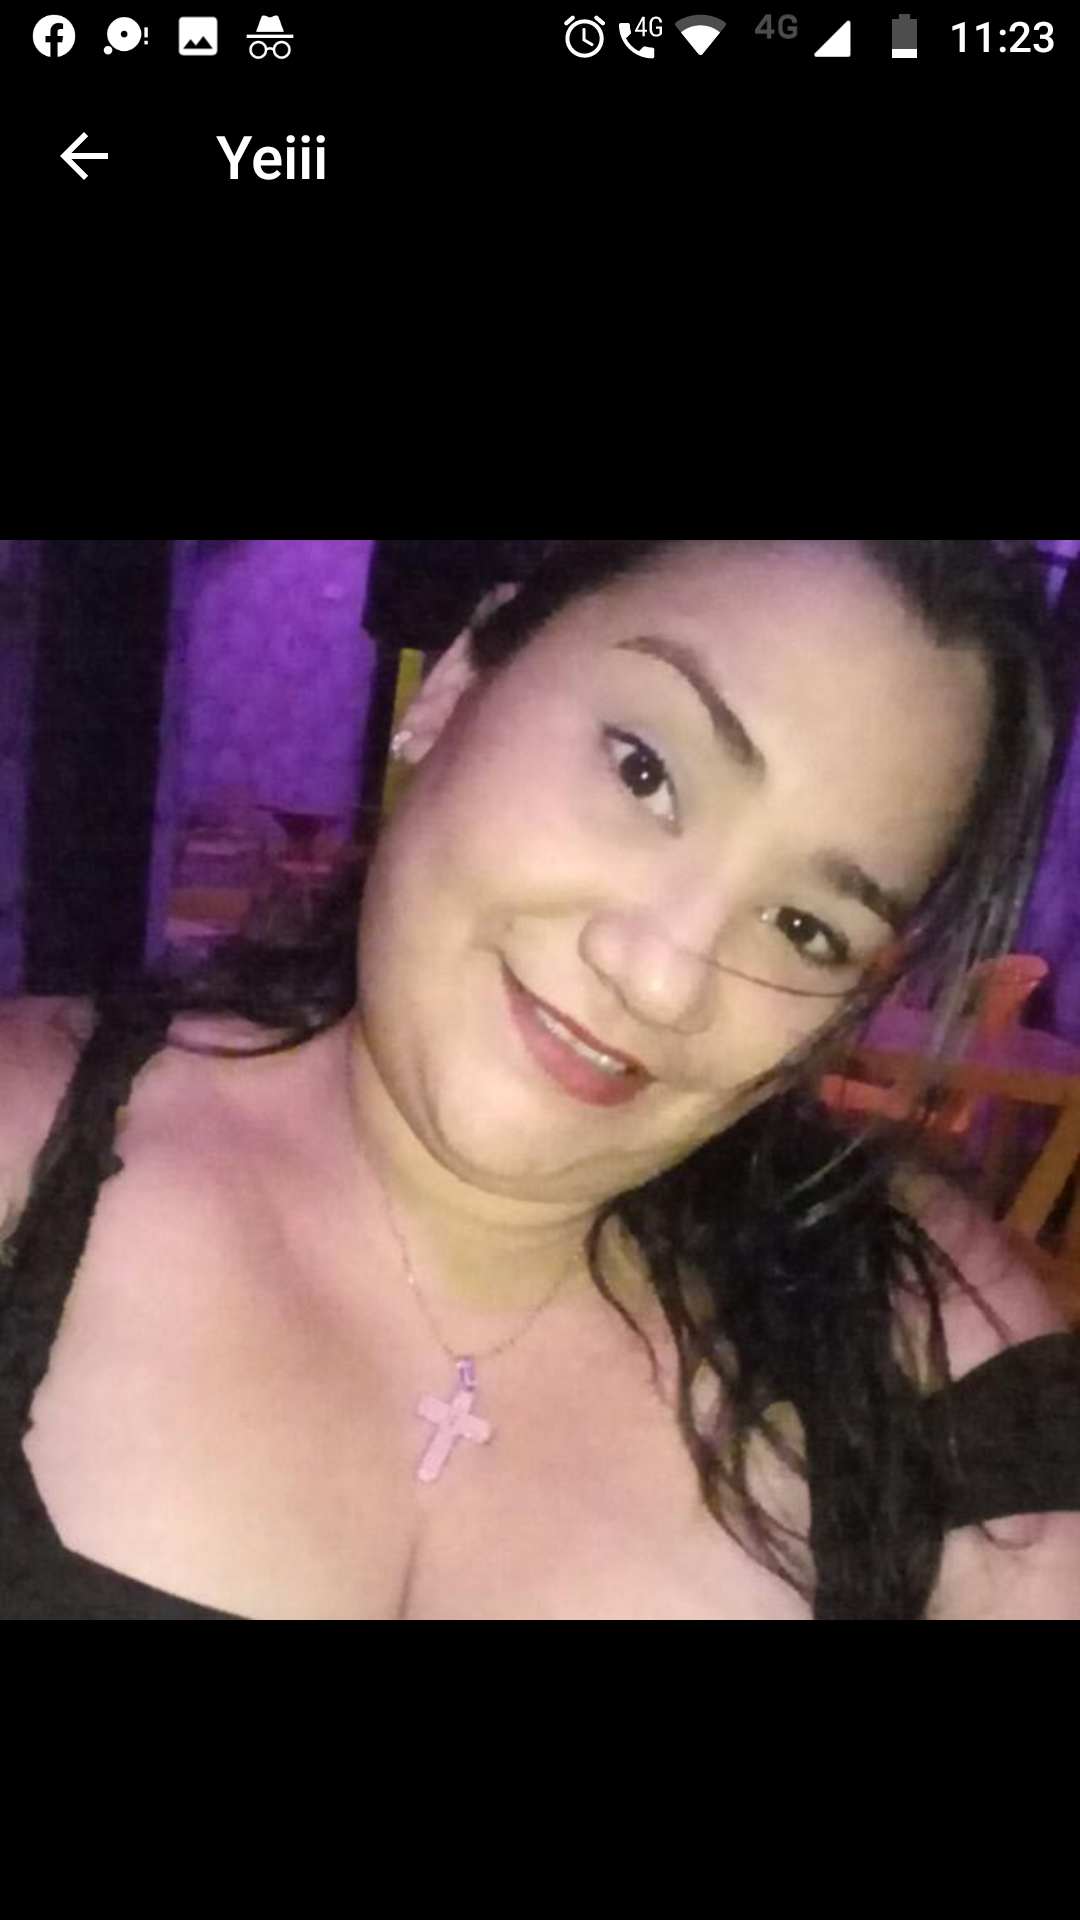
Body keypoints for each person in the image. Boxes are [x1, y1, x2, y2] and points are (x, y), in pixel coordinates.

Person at [2, 538, 1078, 1620]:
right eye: (644, 772)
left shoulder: (932, 1338)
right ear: (460, 679)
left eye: (806, 928)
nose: (661, 977)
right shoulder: (23, 1137)